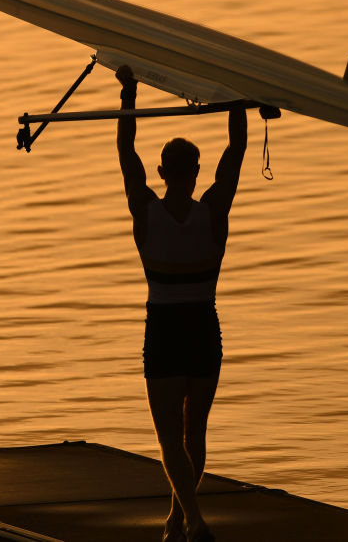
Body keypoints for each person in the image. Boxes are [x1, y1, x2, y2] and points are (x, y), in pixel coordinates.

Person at [115, 65, 247, 542]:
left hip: (167, 333)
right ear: (195, 174)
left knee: (171, 436)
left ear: (162, 173)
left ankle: (190, 519)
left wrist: (128, 95)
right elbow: (236, 152)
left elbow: (126, 151)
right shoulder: (214, 212)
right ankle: (181, 519)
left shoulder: (145, 211)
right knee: (195, 435)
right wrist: (238, 102)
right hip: (202, 331)